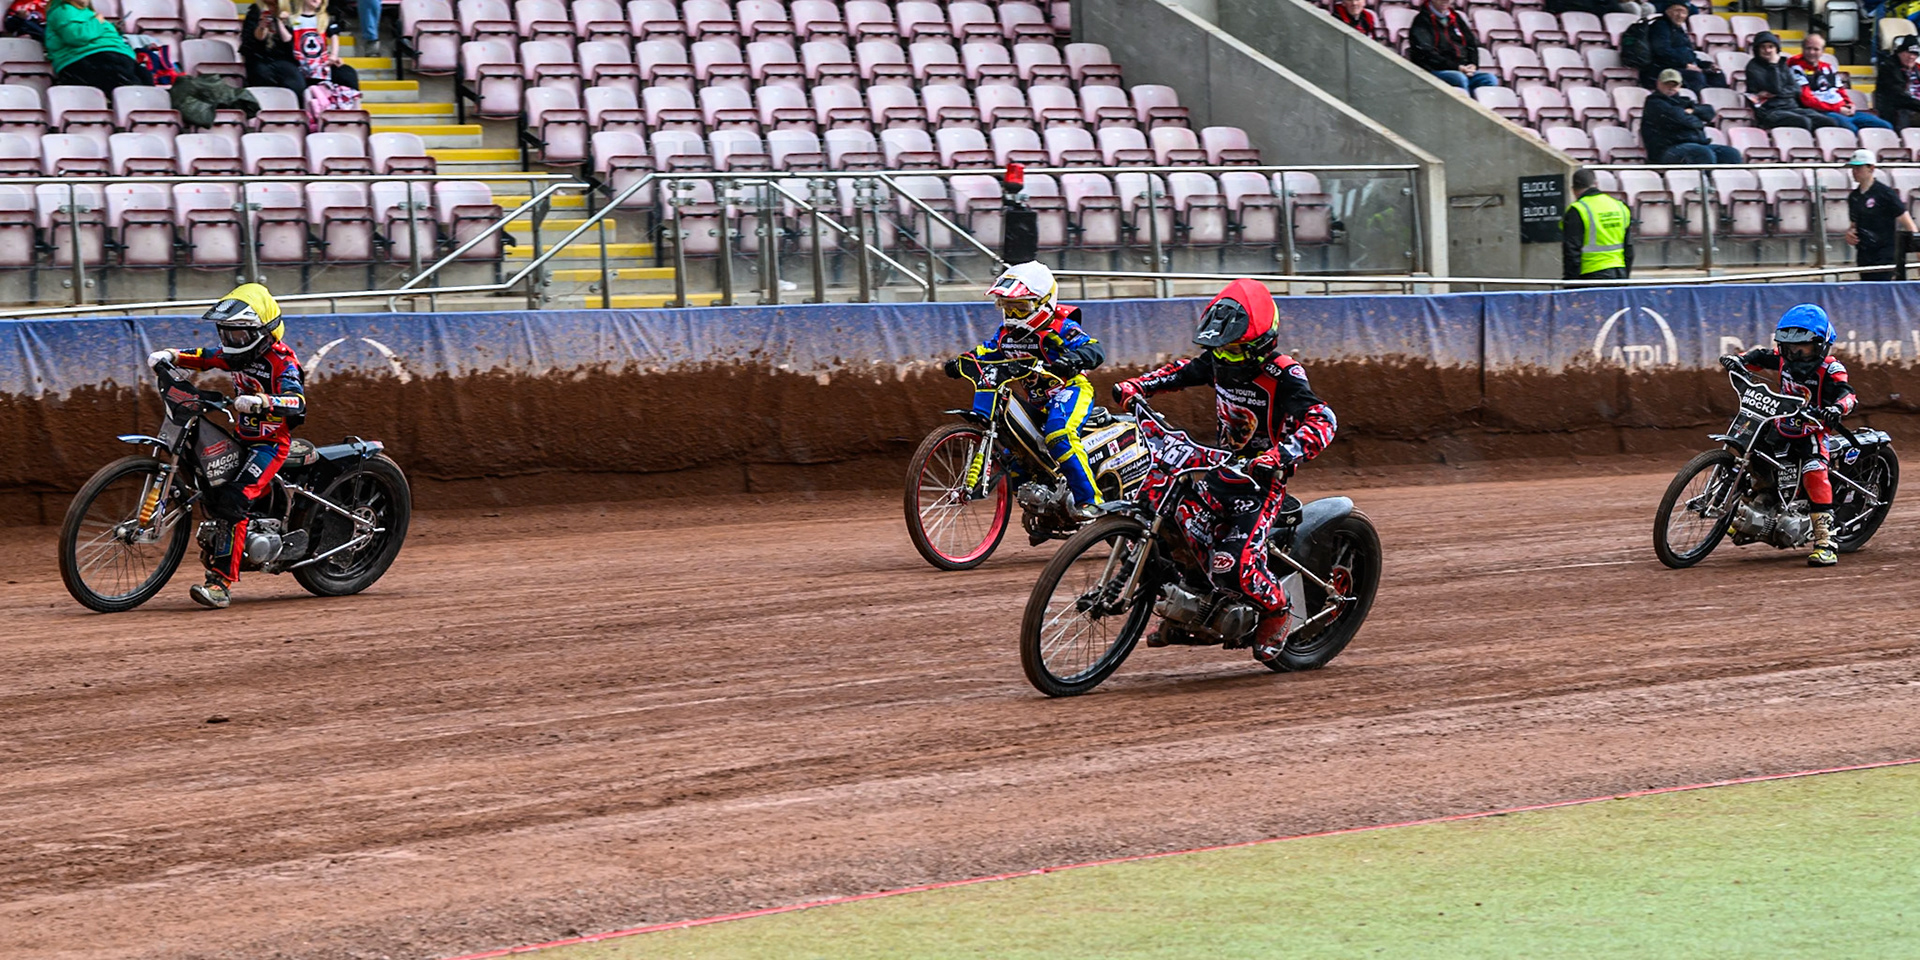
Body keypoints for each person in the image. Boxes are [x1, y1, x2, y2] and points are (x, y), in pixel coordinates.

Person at [1111, 279, 1338, 665]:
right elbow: (1181, 372)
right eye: (1218, 350)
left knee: (1231, 566)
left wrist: (1278, 455)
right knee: (1170, 524)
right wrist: (1138, 385)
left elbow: (1323, 420)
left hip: (1261, 484)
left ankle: (1278, 609)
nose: (1223, 359)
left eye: (1233, 351)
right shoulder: (1218, 359)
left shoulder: (1284, 374)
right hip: (1221, 468)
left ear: (1260, 343)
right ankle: (1191, 610)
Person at [145, 284, 307, 609]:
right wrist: (173, 356)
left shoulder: (282, 361)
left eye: (239, 336)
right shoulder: (238, 356)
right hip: (243, 438)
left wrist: (263, 401)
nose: (232, 343)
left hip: (271, 444)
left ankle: (220, 584)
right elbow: (207, 358)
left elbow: (297, 401)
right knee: (211, 481)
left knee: (235, 497)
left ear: (262, 331)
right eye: (227, 334)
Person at [942, 261, 1106, 522]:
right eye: (1007, 308)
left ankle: (1091, 501)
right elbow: (985, 351)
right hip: (1037, 401)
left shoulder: (1061, 327)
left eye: (1021, 308)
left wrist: (1073, 359)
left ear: (1044, 303)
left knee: (1059, 434)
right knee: (1012, 449)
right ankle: (1045, 507)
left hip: (1070, 390)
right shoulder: (1005, 334)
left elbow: (1095, 349)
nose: (1013, 315)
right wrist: (960, 361)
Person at [1720, 304, 1856, 567]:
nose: (1794, 353)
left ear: (1820, 345)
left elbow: (1847, 394)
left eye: (1802, 347)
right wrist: (1738, 360)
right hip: (1779, 424)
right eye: (1788, 346)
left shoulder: (1831, 369)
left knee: (1814, 473)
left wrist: (1836, 408)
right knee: (1755, 456)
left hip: (1812, 430)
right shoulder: (1782, 359)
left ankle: (1826, 542)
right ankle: (1759, 506)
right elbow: (1758, 356)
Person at [1790, 32, 1893, 133]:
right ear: (1802, 49)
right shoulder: (1796, 68)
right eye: (1808, 48)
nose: (1811, 52)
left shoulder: (1829, 67)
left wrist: (1850, 104)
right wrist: (1837, 109)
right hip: (1823, 112)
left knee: (1886, 127)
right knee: (1852, 131)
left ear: (1822, 51)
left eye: (1816, 49)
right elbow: (1807, 100)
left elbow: (1841, 91)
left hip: (1843, 110)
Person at [1843, 149, 1917, 281]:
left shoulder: (1885, 194)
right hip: (1864, 253)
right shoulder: (1854, 196)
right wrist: (1850, 234)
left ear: (1871, 168)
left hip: (1885, 253)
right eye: (1853, 168)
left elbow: (1908, 223)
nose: (1854, 172)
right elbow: (1854, 224)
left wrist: (1918, 254)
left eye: (1859, 168)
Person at [43, 0, 150, 91]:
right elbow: (76, 36)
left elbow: (92, 30)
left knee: (146, 78)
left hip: (112, 56)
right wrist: (98, 20)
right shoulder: (63, 10)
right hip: (86, 58)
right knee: (131, 89)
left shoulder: (86, 12)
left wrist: (111, 28)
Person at [1643, 69, 1743, 163]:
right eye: (1666, 84)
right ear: (1658, 83)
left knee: (1730, 154)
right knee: (1701, 153)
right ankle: (1705, 180)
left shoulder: (1684, 101)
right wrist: (1698, 120)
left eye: (1674, 84)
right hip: (1667, 149)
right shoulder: (1653, 103)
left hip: (1695, 145)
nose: (1670, 87)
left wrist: (1692, 111)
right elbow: (1680, 119)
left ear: (1680, 85)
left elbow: (1709, 112)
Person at [1744, 30, 1836, 132]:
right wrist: (1773, 65)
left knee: (1828, 122)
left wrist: (1780, 92)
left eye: (1771, 47)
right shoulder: (1753, 67)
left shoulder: (1782, 64)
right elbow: (1775, 88)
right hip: (1770, 111)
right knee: (1803, 122)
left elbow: (1796, 89)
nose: (1767, 50)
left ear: (1776, 49)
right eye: (1763, 47)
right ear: (1757, 49)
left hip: (1791, 107)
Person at [1407, 0, 1497, 92]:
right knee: (1459, 78)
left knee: (1489, 79)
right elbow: (1426, 52)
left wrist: (1473, 65)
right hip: (1435, 70)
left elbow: (1471, 44)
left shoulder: (1456, 17)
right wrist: (1456, 67)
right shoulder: (1421, 20)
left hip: (1462, 68)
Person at [1562, 167, 1633, 282]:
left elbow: (1571, 252)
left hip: (1591, 276)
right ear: (1596, 184)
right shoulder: (1619, 206)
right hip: (1619, 273)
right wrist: (1625, 276)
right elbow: (1628, 248)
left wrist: (1570, 283)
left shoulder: (1578, 210)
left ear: (1573, 189)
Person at [1642, 0, 1723, 94]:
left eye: (1683, 12)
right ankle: (1695, 104)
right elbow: (1662, 52)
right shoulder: (1660, 26)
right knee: (1695, 76)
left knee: (1716, 74)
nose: (1680, 15)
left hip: (1683, 65)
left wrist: (1705, 64)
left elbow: (1688, 53)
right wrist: (1685, 65)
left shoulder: (1678, 29)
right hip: (1663, 68)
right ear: (1667, 11)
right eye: (1677, 11)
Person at [289, 0, 358, 90]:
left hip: (321, 65)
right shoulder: (293, 19)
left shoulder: (325, 19)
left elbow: (334, 37)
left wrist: (333, 55)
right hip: (300, 63)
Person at [241, 0, 305, 94]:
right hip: (259, 57)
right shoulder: (256, 10)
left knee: (296, 83)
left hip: (285, 58)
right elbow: (251, 41)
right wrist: (262, 26)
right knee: (261, 73)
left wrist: (279, 21)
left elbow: (291, 41)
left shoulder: (292, 10)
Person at [1875, 34, 1920, 131]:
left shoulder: (1916, 68)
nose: (1912, 57)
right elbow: (1898, 96)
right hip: (1897, 109)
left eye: (1915, 54)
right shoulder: (1889, 67)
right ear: (1900, 52)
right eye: (1908, 53)